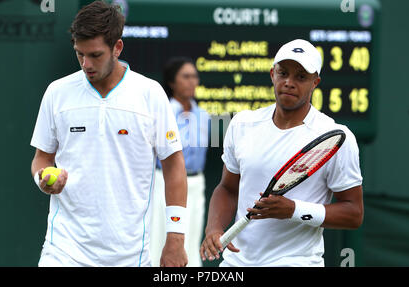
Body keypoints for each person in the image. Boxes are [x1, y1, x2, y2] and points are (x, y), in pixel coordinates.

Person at [30, 1, 188, 267]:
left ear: (117, 48)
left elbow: (173, 166)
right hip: (63, 251)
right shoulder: (57, 92)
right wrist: (42, 179)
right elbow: (42, 159)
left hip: (129, 257)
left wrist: (175, 238)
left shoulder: (150, 94)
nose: (85, 64)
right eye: (80, 54)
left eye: (95, 55)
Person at [200, 39, 364, 267]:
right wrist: (214, 227)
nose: (289, 82)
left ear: (315, 82)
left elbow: (354, 213)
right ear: (272, 74)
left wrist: (294, 210)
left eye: (301, 77)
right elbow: (227, 188)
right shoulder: (242, 124)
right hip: (235, 264)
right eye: (283, 73)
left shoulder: (336, 136)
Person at [150, 57, 210, 267]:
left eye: (194, 76)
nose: (192, 81)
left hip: (195, 183)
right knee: (159, 236)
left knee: (192, 238)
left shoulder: (204, 116)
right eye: (185, 76)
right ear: (172, 82)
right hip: (164, 182)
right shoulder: (162, 112)